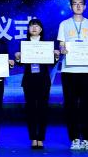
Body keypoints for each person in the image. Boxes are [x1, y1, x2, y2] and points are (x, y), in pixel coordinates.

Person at [58, 0, 88, 150]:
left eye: (80, 3)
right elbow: (61, 44)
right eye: (75, 3)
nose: (78, 6)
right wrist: (62, 49)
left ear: (85, 6)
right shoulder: (64, 24)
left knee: (87, 105)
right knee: (70, 105)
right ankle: (75, 138)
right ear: (70, 7)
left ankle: (87, 139)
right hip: (69, 69)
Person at [15, 18, 59, 149]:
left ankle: (41, 138)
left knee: (43, 109)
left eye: (37, 26)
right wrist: (18, 58)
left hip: (43, 80)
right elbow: (20, 63)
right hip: (29, 80)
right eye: (31, 26)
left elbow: (51, 63)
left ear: (41, 29)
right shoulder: (24, 44)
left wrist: (56, 56)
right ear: (28, 29)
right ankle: (33, 138)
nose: (34, 28)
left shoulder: (46, 44)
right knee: (31, 110)